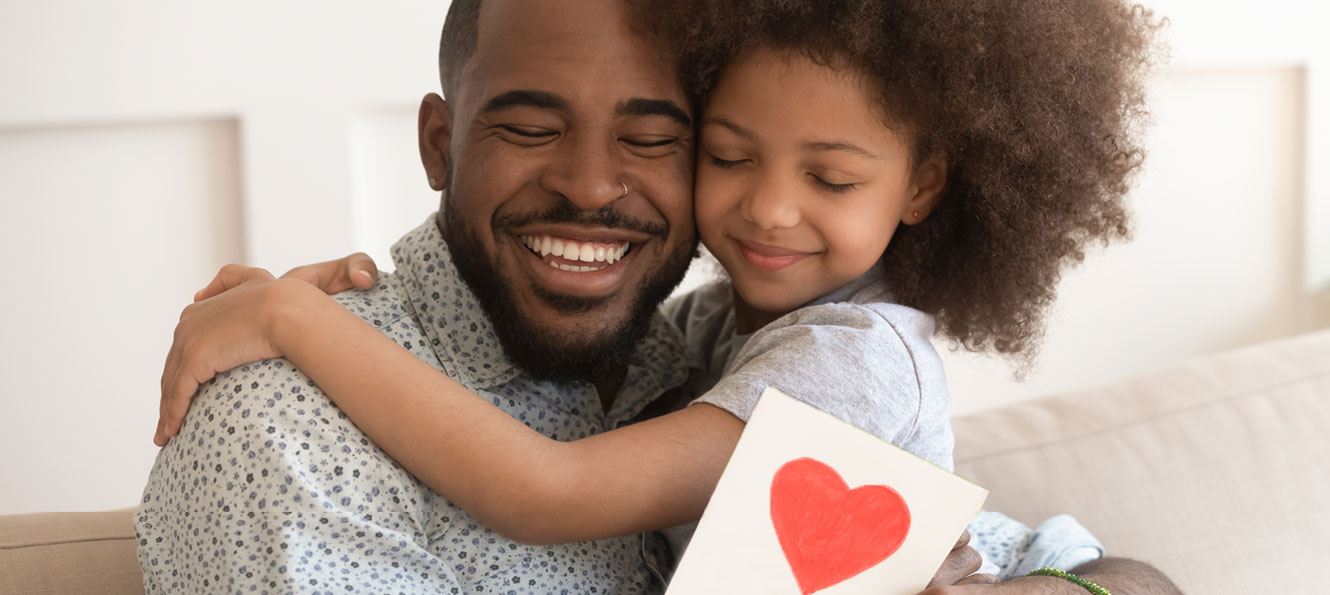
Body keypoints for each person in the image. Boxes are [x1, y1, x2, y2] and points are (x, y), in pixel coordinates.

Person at [139, 0, 1182, 593]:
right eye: (531, 126)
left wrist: (1089, 588)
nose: (594, 184)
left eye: (652, 137)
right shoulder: (280, 416)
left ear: (921, 183)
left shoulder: (763, 359)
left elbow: (548, 492)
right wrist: (306, 325)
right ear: (437, 143)